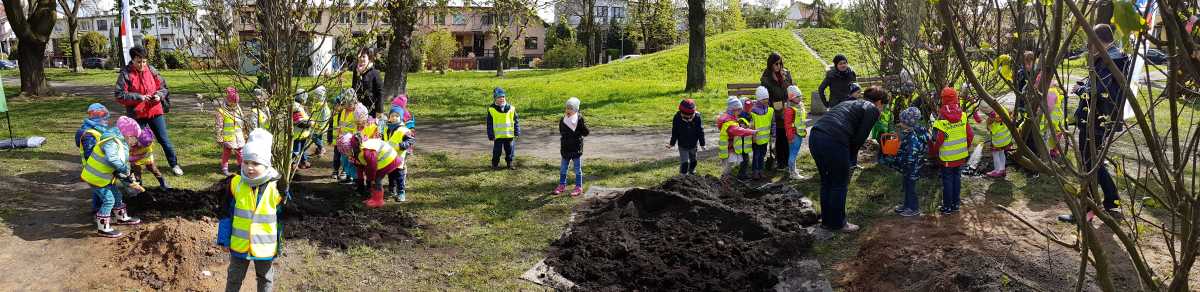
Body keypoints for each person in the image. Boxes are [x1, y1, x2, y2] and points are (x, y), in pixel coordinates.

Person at [1060, 24, 1127, 223]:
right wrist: (1085, 84)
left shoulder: (1110, 59)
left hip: (1096, 121)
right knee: (1095, 163)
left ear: (1098, 41)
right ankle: (1112, 201)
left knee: (1089, 165)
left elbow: (1098, 92)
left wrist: (1080, 90)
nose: (1089, 46)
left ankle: (1086, 210)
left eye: (1091, 42)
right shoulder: (1113, 57)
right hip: (1099, 119)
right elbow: (1099, 84)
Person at [809, 86, 887, 232]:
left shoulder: (850, 102)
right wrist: (851, 162)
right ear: (879, 102)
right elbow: (859, 139)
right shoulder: (872, 109)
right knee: (839, 183)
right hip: (834, 139)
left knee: (827, 181)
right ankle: (839, 223)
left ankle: (827, 221)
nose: (882, 109)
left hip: (816, 136)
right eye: (883, 105)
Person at [216, 129, 283, 291]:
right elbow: (226, 214)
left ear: (266, 164)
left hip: (265, 247)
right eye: (246, 162)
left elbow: (280, 219)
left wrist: (278, 245)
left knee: (265, 278)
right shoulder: (235, 184)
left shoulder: (276, 187)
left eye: (255, 163)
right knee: (234, 278)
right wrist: (224, 239)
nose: (250, 168)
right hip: (239, 245)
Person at [115, 46, 181, 176]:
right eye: (139, 62)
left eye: (144, 61)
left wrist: (159, 96)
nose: (142, 65)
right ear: (132, 60)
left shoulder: (152, 70)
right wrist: (139, 97)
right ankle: (135, 170)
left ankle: (174, 164)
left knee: (164, 140)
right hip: (137, 115)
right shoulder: (125, 74)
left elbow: (163, 88)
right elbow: (119, 95)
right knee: (136, 143)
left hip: (155, 111)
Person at [81, 116, 145, 238]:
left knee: (117, 195)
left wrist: (127, 177)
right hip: (96, 178)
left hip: (105, 177)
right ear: (127, 134)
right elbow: (113, 159)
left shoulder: (120, 142)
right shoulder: (111, 141)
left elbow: (121, 164)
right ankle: (103, 228)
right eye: (134, 138)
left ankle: (122, 217)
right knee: (109, 200)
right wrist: (123, 169)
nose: (135, 142)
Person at [929, 87, 974, 215]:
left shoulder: (941, 119)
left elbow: (938, 140)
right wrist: (966, 147)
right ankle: (955, 204)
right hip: (961, 156)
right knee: (957, 179)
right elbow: (970, 135)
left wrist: (934, 152)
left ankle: (947, 206)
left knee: (947, 180)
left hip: (947, 158)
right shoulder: (963, 116)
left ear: (943, 100)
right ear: (956, 98)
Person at [886, 107, 930, 217]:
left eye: (902, 122)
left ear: (908, 123)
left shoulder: (913, 137)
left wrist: (899, 160)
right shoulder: (910, 132)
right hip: (909, 166)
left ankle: (914, 208)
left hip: (912, 166)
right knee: (906, 185)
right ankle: (906, 205)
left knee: (911, 187)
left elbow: (912, 154)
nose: (900, 124)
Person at [760, 52, 794, 171]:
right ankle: (781, 162)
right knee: (780, 136)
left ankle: (787, 161)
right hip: (775, 110)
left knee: (788, 135)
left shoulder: (786, 74)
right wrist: (774, 107)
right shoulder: (766, 78)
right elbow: (767, 96)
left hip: (787, 108)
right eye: (776, 64)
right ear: (771, 64)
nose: (779, 66)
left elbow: (791, 90)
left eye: (780, 63)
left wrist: (784, 80)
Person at [76, 103, 113, 213]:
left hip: (97, 165)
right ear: (97, 119)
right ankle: (99, 209)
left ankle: (97, 206)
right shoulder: (89, 134)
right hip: (94, 166)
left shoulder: (96, 129)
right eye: (104, 119)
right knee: (100, 186)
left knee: (98, 186)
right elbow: (90, 153)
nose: (106, 122)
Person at [350, 129, 401, 208]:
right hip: (386, 159)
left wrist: (371, 178)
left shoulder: (367, 150)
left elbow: (372, 166)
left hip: (390, 160)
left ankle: (378, 200)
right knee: (375, 179)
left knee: (377, 179)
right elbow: (363, 165)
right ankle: (374, 198)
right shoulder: (361, 147)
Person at [120, 115, 170, 190]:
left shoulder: (148, 138)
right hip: (135, 159)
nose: (143, 146)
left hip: (147, 157)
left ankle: (163, 183)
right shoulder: (132, 141)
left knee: (154, 169)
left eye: (147, 145)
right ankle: (139, 187)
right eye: (142, 145)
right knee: (137, 173)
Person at [716, 96, 757, 179]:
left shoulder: (731, 118)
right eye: (738, 110)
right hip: (727, 149)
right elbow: (738, 131)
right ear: (732, 110)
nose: (740, 111)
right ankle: (725, 183)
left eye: (740, 109)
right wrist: (752, 131)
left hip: (730, 148)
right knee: (727, 169)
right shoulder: (729, 122)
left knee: (732, 165)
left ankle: (728, 181)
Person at [556, 97, 590, 196]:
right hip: (566, 148)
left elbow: (585, 132)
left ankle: (578, 187)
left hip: (576, 149)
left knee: (577, 169)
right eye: (567, 108)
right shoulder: (563, 120)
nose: (568, 110)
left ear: (576, 110)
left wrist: (582, 124)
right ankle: (562, 185)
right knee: (563, 169)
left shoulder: (579, 120)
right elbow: (561, 131)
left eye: (571, 108)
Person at [382, 104, 415, 202]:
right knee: (390, 173)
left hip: (399, 157)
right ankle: (392, 188)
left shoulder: (404, 130)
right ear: (389, 117)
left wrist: (400, 146)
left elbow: (410, 141)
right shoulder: (386, 128)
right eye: (392, 116)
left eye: (397, 116)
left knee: (399, 175)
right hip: (389, 157)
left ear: (400, 118)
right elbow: (384, 140)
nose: (394, 118)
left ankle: (401, 192)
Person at [973, 103, 1013, 178]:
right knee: (1002, 152)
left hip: (998, 141)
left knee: (995, 154)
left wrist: (987, 123)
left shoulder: (992, 119)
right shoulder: (1002, 110)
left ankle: (997, 171)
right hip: (1006, 139)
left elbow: (989, 129)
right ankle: (1002, 169)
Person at [331, 89, 362, 183]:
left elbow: (358, 128)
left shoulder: (356, 112)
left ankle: (352, 177)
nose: (347, 106)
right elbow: (338, 125)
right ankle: (348, 176)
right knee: (343, 159)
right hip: (341, 141)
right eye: (346, 103)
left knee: (351, 160)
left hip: (350, 142)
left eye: (349, 103)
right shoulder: (343, 112)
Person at [668, 99, 705, 175]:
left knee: (693, 161)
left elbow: (700, 131)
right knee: (685, 163)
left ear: (694, 113)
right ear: (681, 112)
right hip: (682, 145)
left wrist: (702, 144)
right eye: (684, 117)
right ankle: (682, 176)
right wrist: (672, 143)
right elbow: (674, 131)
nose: (687, 119)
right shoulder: (677, 118)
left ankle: (692, 172)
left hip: (693, 145)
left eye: (689, 117)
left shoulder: (697, 118)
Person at [486, 87, 520, 170]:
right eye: (499, 97)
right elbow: (489, 124)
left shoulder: (511, 108)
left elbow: (515, 121)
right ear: (495, 98)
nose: (501, 99)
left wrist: (517, 131)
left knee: (510, 151)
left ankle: (510, 163)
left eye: (503, 97)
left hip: (509, 135)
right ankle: (495, 164)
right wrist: (491, 134)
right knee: (497, 151)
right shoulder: (491, 109)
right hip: (498, 136)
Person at [216, 87, 247, 176]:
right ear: (228, 101)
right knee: (226, 153)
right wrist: (220, 137)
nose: (234, 105)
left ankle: (241, 166)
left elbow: (242, 122)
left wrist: (245, 133)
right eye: (232, 103)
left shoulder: (238, 109)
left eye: (235, 103)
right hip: (228, 137)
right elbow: (219, 125)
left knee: (240, 152)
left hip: (239, 136)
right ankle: (225, 168)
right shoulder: (222, 111)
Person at [748, 87, 774, 180]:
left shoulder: (770, 111)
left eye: (767, 98)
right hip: (756, 139)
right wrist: (752, 136)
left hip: (765, 138)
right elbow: (751, 125)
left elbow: (772, 123)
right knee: (756, 155)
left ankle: (761, 171)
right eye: (764, 99)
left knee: (762, 155)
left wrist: (773, 133)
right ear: (759, 99)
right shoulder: (753, 112)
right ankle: (755, 171)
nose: (766, 100)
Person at [783, 86, 808, 180]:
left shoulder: (799, 106)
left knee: (794, 153)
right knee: (793, 153)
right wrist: (790, 137)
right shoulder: (789, 109)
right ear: (792, 98)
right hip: (794, 135)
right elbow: (788, 125)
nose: (800, 98)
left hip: (799, 133)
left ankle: (793, 169)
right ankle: (793, 173)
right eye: (798, 97)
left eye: (800, 96)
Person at [352, 48, 384, 114]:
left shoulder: (375, 73)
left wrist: (379, 111)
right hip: (357, 109)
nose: (361, 59)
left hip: (371, 109)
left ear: (369, 58)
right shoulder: (356, 72)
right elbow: (353, 88)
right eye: (360, 56)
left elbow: (380, 93)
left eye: (363, 56)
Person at [308, 86, 332, 157]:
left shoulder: (323, 105)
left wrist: (321, 124)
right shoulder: (317, 103)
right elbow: (314, 113)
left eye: (317, 95)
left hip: (320, 125)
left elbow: (325, 115)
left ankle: (321, 148)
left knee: (313, 136)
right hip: (316, 123)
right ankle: (318, 150)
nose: (316, 96)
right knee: (319, 137)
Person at [292, 90, 313, 169]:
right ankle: (292, 163)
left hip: (303, 134)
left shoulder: (300, 107)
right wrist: (309, 124)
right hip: (298, 134)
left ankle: (303, 161)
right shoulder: (296, 107)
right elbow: (299, 122)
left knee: (303, 149)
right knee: (296, 150)